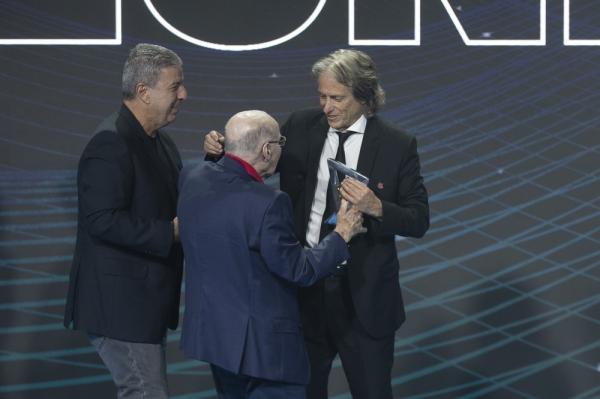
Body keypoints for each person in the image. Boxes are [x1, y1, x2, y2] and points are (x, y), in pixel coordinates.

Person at [204, 49, 430, 398]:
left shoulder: (397, 145)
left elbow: (418, 219)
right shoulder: (299, 127)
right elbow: (250, 165)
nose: (327, 107)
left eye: (337, 98)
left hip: (364, 301)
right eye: (322, 96)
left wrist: (377, 206)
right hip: (303, 294)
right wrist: (219, 153)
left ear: (364, 96)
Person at [178, 110, 364, 399]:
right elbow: (300, 269)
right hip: (264, 351)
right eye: (280, 142)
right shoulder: (269, 203)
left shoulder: (192, 177)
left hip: (216, 341)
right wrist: (342, 234)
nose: (282, 148)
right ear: (267, 149)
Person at [64, 43, 188, 399]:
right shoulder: (110, 142)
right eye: (174, 86)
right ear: (143, 92)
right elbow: (101, 220)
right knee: (145, 392)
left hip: (144, 302)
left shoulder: (160, 141)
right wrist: (170, 232)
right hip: (120, 305)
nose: (184, 94)